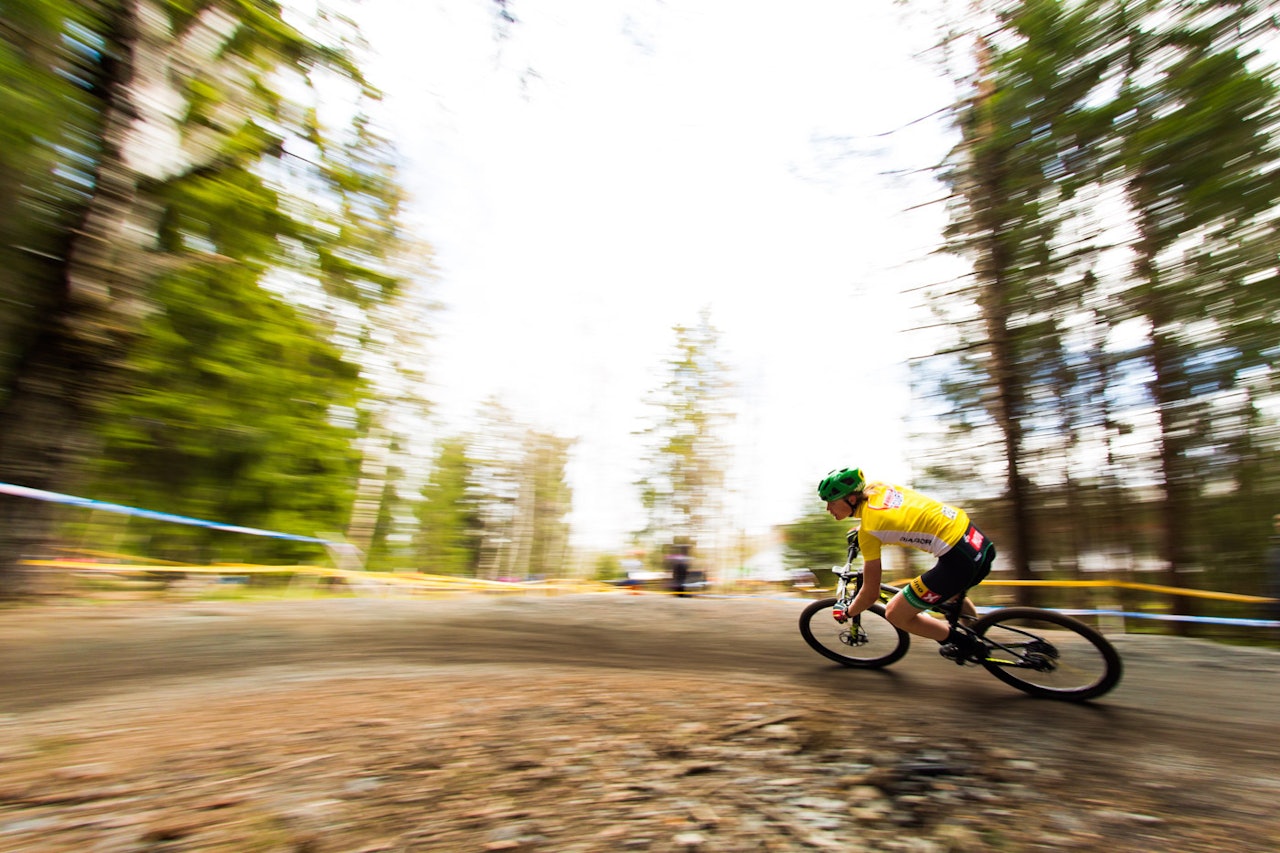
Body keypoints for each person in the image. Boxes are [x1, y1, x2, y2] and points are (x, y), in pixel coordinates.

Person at [817, 467, 997, 663]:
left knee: (895, 613)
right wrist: (861, 529)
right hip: (976, 539)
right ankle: (977, 632)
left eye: (831, 503)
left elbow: (870, 594)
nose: (828, 509)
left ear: (851, 499)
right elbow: (896, 512)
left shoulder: (869, 531)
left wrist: (847, 612)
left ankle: (967, 644)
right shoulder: (878, 487)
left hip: (960, 560)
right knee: (951, 592)